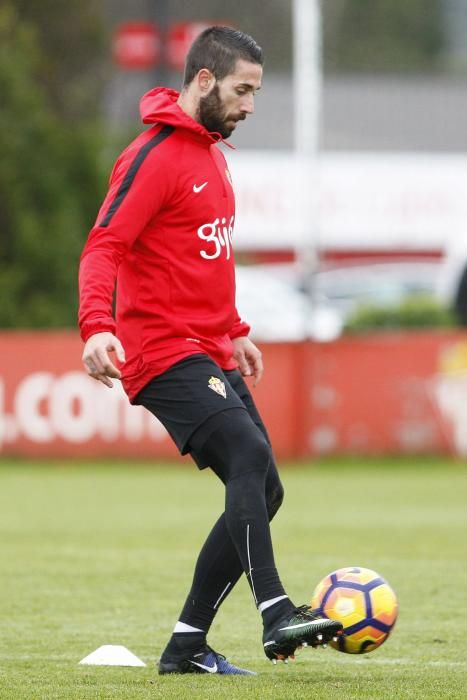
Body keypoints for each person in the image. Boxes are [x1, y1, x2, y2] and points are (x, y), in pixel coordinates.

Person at [78, 26, 342, 676]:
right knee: (249, 454)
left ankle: (186, 645)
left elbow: (204, 259)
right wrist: (95, 327)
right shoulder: (155, 154)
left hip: (208, 347)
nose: (250, 104)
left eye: (255, 90)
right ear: (203, 81)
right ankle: (276, 612)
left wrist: (235, 328)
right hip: (160, 352)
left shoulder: (212, 154)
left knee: (265, 488)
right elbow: (104, 245)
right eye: (242, 89)